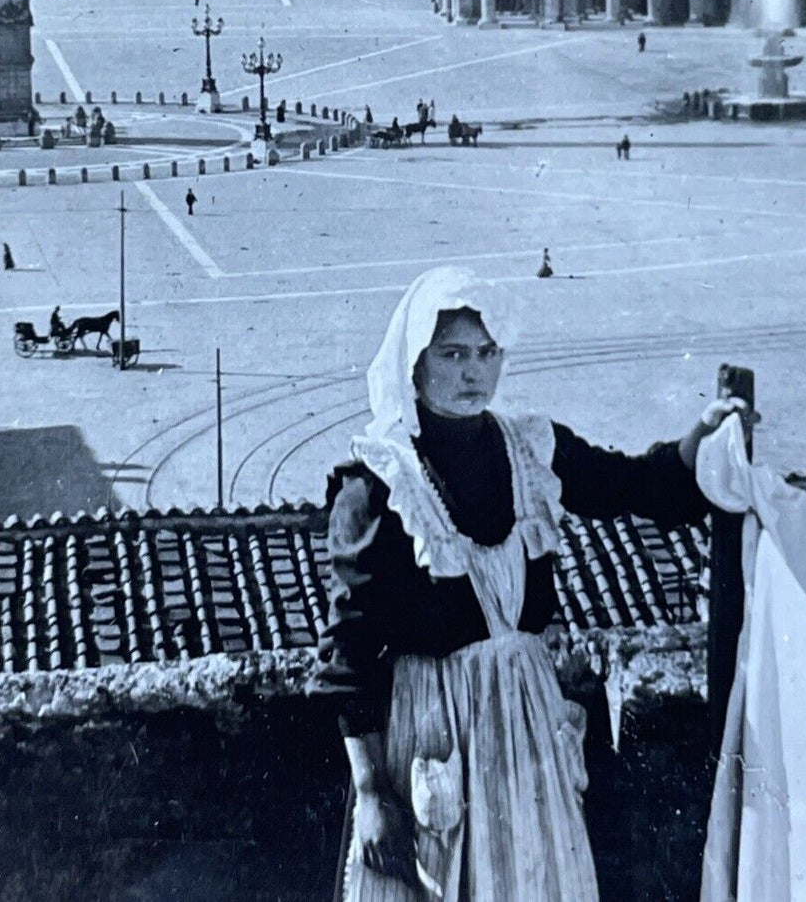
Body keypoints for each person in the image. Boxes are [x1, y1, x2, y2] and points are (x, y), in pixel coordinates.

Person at [312, 268, 743, 900]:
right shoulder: (381, 483)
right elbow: (349, 656)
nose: (473, 372)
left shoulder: (532, 449)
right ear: (415, 363)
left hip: (529, 736)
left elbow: (636, 485)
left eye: (487, 353)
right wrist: (373, 793)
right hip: (433, 738)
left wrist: (700, 438)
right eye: (453, 354)